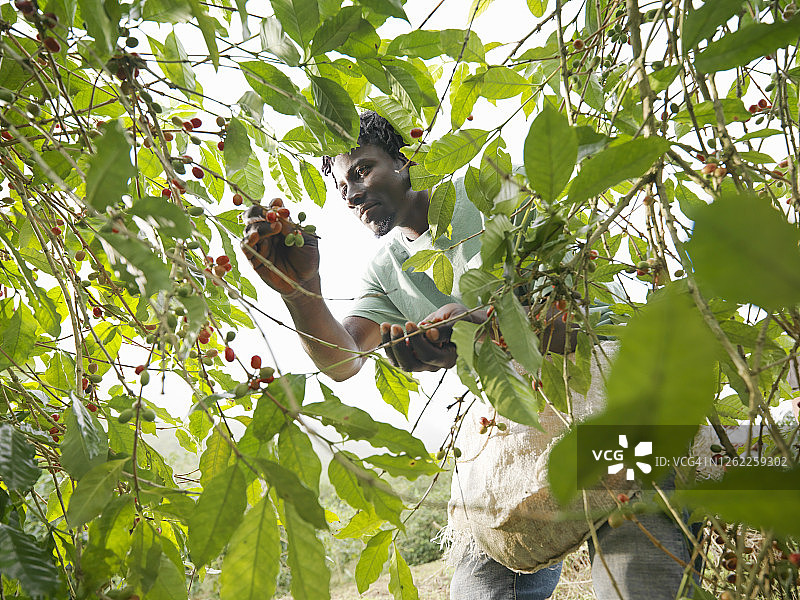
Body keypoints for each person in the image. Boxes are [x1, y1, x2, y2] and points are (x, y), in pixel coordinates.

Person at [241, 111, 695, 600]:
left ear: (403, 160)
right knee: (482, 586)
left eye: (362, 170)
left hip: (604, 389)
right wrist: (300, 289)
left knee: (639, 573)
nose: (351, 194)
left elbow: (572, 315)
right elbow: (342, 359)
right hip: (510, 434)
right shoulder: (383, 268)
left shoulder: (492, 195)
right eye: (341, 186)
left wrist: (485, 324)